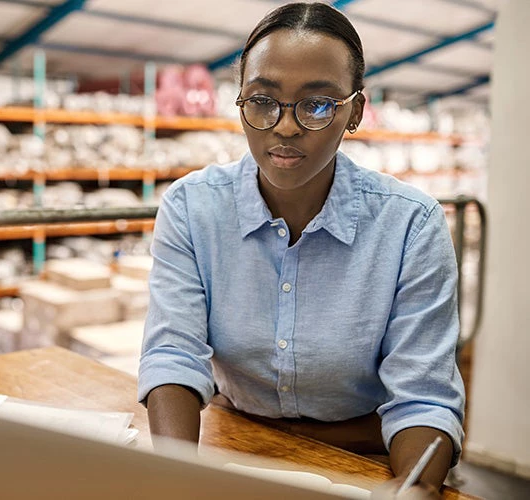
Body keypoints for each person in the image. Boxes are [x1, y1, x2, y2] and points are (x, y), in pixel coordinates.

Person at [138, 3, 465, 497]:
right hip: (235, 443)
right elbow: (172, 353)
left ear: (354, 110)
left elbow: (423, 399)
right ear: (240, 101)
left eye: (317, 105)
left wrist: (411, 490)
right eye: (263, 100)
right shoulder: (192, 208)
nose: (285, 127)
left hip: (367, 459)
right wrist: (175, 476)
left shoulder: (411, 226)